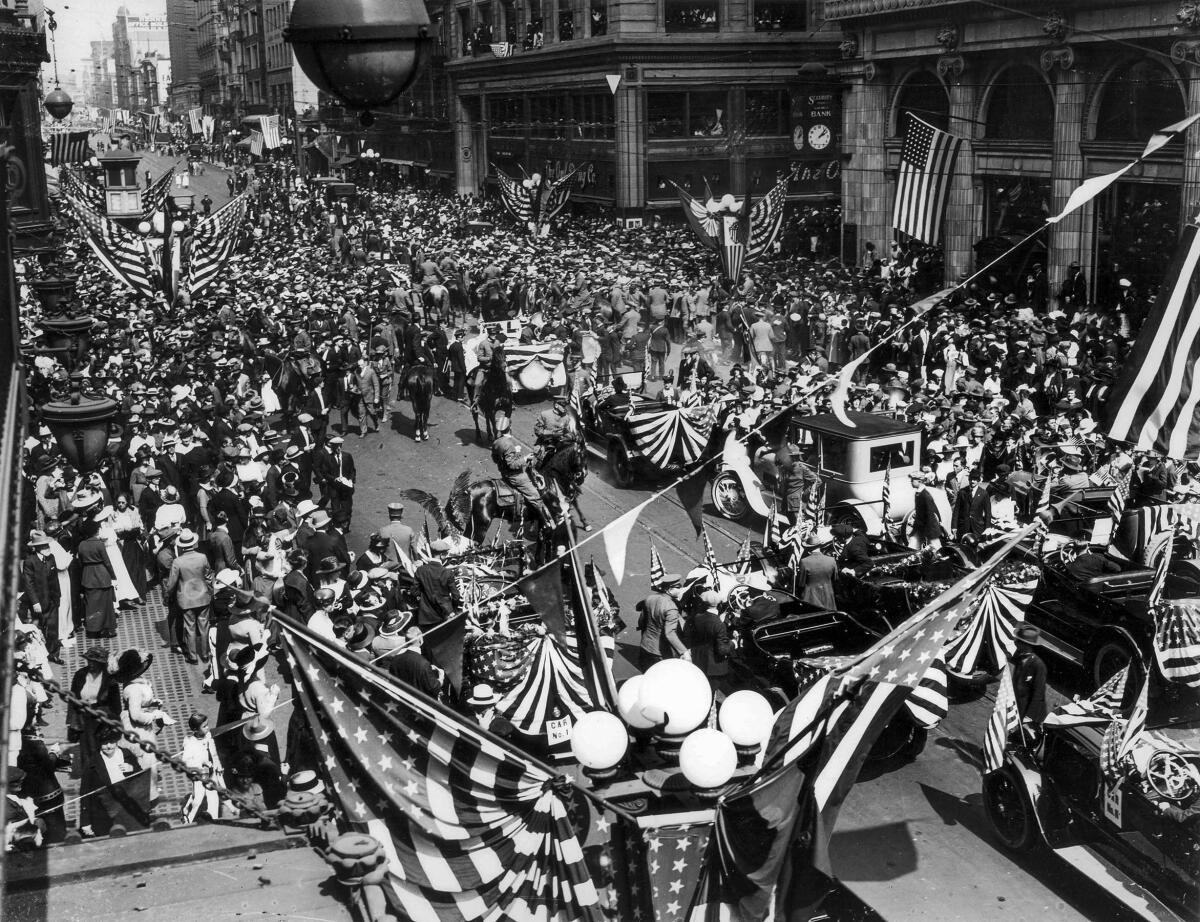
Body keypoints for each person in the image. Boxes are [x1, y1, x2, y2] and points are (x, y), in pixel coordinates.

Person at [490, 417, 551, 526]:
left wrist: (514, 454)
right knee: (536, 496)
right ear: (510, 427)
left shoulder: (497, 441)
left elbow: (495, 459)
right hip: (515, 476)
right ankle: (548, 522)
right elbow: (512, 465)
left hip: (504, 472)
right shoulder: (508, 444)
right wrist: (525, 458)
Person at [165, 529, 213, 665]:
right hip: (202, 597)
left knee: (189, 628)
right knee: (204, 626)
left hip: (186, 600)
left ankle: (193, 656)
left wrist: (168, 595)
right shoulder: (202, 557)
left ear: (180, 545)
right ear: (194, 542)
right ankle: (205, 654)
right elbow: (209, 577)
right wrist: (211, 592)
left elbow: (171, 584)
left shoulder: (178, 562)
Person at [21, 531, 62, 664]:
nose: (47, 548)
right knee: (42, 628)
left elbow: (55, 579)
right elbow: (29, 584)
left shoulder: (51, 558)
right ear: (37, 547)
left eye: (47, 545)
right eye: (43, 546)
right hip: (39, 602)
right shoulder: (30, 562)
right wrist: (35, 602)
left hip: (52, 600)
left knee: (54, 628)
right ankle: (42, 655)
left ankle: (54, 654)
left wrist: (58, 597)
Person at [635, 573, 687, 672]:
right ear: (669, 590)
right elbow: (670, 633)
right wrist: (684, 651)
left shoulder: (650, 598)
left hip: (645, 646)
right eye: (678, 587)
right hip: (660, 652)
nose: (680, 589)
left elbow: (641, 621)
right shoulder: (671, 607)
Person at [685, 590, 732, 694]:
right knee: (712, 692)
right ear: (719, 604)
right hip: (715, 666)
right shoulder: (719, 624)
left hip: (700, 658)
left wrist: (719, 620)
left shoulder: (697, 617)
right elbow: (723, 649)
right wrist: (734, 643)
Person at [180, 712, 224, 823]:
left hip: (211, 772)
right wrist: (202, 762)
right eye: (204, 726)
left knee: (213, 795)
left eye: (207, 725)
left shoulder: (208, 736)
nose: (208, 728)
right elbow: (186, 761)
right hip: (200, 774)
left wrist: (218, 764)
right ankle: (188, 817)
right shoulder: (190, 743)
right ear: (195, 729)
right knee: (198, 798)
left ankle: (214, 818)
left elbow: (213, 752)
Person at [78, 517, 118, 639]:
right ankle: (108, 629)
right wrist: (113, 575)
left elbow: (80, 563)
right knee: (106, 604)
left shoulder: (81, 545)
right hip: (102, 575)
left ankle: (93, 629)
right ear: (96, 531)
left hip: (88, 575)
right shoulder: (99, 544)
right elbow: (107, 562)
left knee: (92, 605)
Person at [1011, 625, 1048, 727]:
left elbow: (1038, 694)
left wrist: (1029, 717)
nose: (1015, 642)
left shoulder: (1038, 666)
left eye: (1018, 641)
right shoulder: (1020, 658)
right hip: (1018, 708)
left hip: (1031, 715)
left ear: (1026, 645)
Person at [414, 539, 457, 628]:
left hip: (425, 616)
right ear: (441, 555)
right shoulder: (447, 573)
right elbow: (456, 596)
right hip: (444, 615)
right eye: (446, 554)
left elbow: (415, 591)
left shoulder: (420, 570)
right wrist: (452, 608)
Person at [796, 527, 837, 610]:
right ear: (820, 546)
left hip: (810, 598)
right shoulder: (831, 560)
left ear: (808, 548)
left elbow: (801, 583)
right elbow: (835, 579)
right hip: (828, 596)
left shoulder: (804, 561)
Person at [952, 468, 992, 543]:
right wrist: (954, 526)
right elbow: (956, 510)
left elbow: (988, 512)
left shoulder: (984, 493)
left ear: (979, 480)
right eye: (971, 479)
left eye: (975, 479)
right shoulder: (962, 492)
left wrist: (987, 527)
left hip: (977, 527)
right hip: (963, 527)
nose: (972, 481)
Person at [908, 471, 946, 550]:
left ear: (919, 481)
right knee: (912, 546)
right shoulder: (918, 493)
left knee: (936, 549)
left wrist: (928, 532)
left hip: (930, 528)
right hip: (920, 526)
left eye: (912, 480)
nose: (911, 482)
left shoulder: (925, 495)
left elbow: (930, 515)